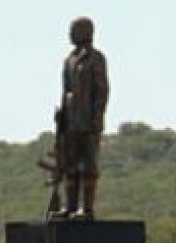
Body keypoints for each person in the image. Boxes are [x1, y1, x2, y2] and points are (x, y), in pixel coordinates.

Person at [56, 16, 109, 219]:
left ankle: (86, 209)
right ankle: (70, 206)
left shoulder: (96, 58)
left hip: (88, 120)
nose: (70, 34)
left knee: (88, 165)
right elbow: (66, 91)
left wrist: (97, 117)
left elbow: (102, 90)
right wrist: (62, 115)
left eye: (73, 30)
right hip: (71, 121)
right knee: (70, 164)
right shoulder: (69, 60)